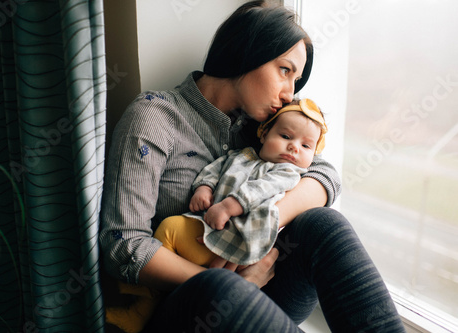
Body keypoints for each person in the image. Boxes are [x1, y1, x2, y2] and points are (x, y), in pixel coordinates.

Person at [99, 1, 405, 332]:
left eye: (296, 80)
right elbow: (123, 243)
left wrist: (267, 222)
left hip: (259, 284)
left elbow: (325, 175)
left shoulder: (262, 127)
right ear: (248, 49)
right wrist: (230, 284)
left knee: (323, 224)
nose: (290, 94)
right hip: (184, 308)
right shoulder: (155, 117)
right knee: (219, 288)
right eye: (285, 71)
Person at [107, 98, 328, 332]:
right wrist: (204, 188)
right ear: (263, 134)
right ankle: (142, 305)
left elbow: (261, 190)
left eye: (306, 146)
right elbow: (214, 169)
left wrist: (228, 207)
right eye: (285, 137)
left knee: (324, 222)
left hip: (247, 247)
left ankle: (149, 304)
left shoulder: (288, 172)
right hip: (208, 239)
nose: (294, 147)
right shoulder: (241, 155)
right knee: (170, 228)